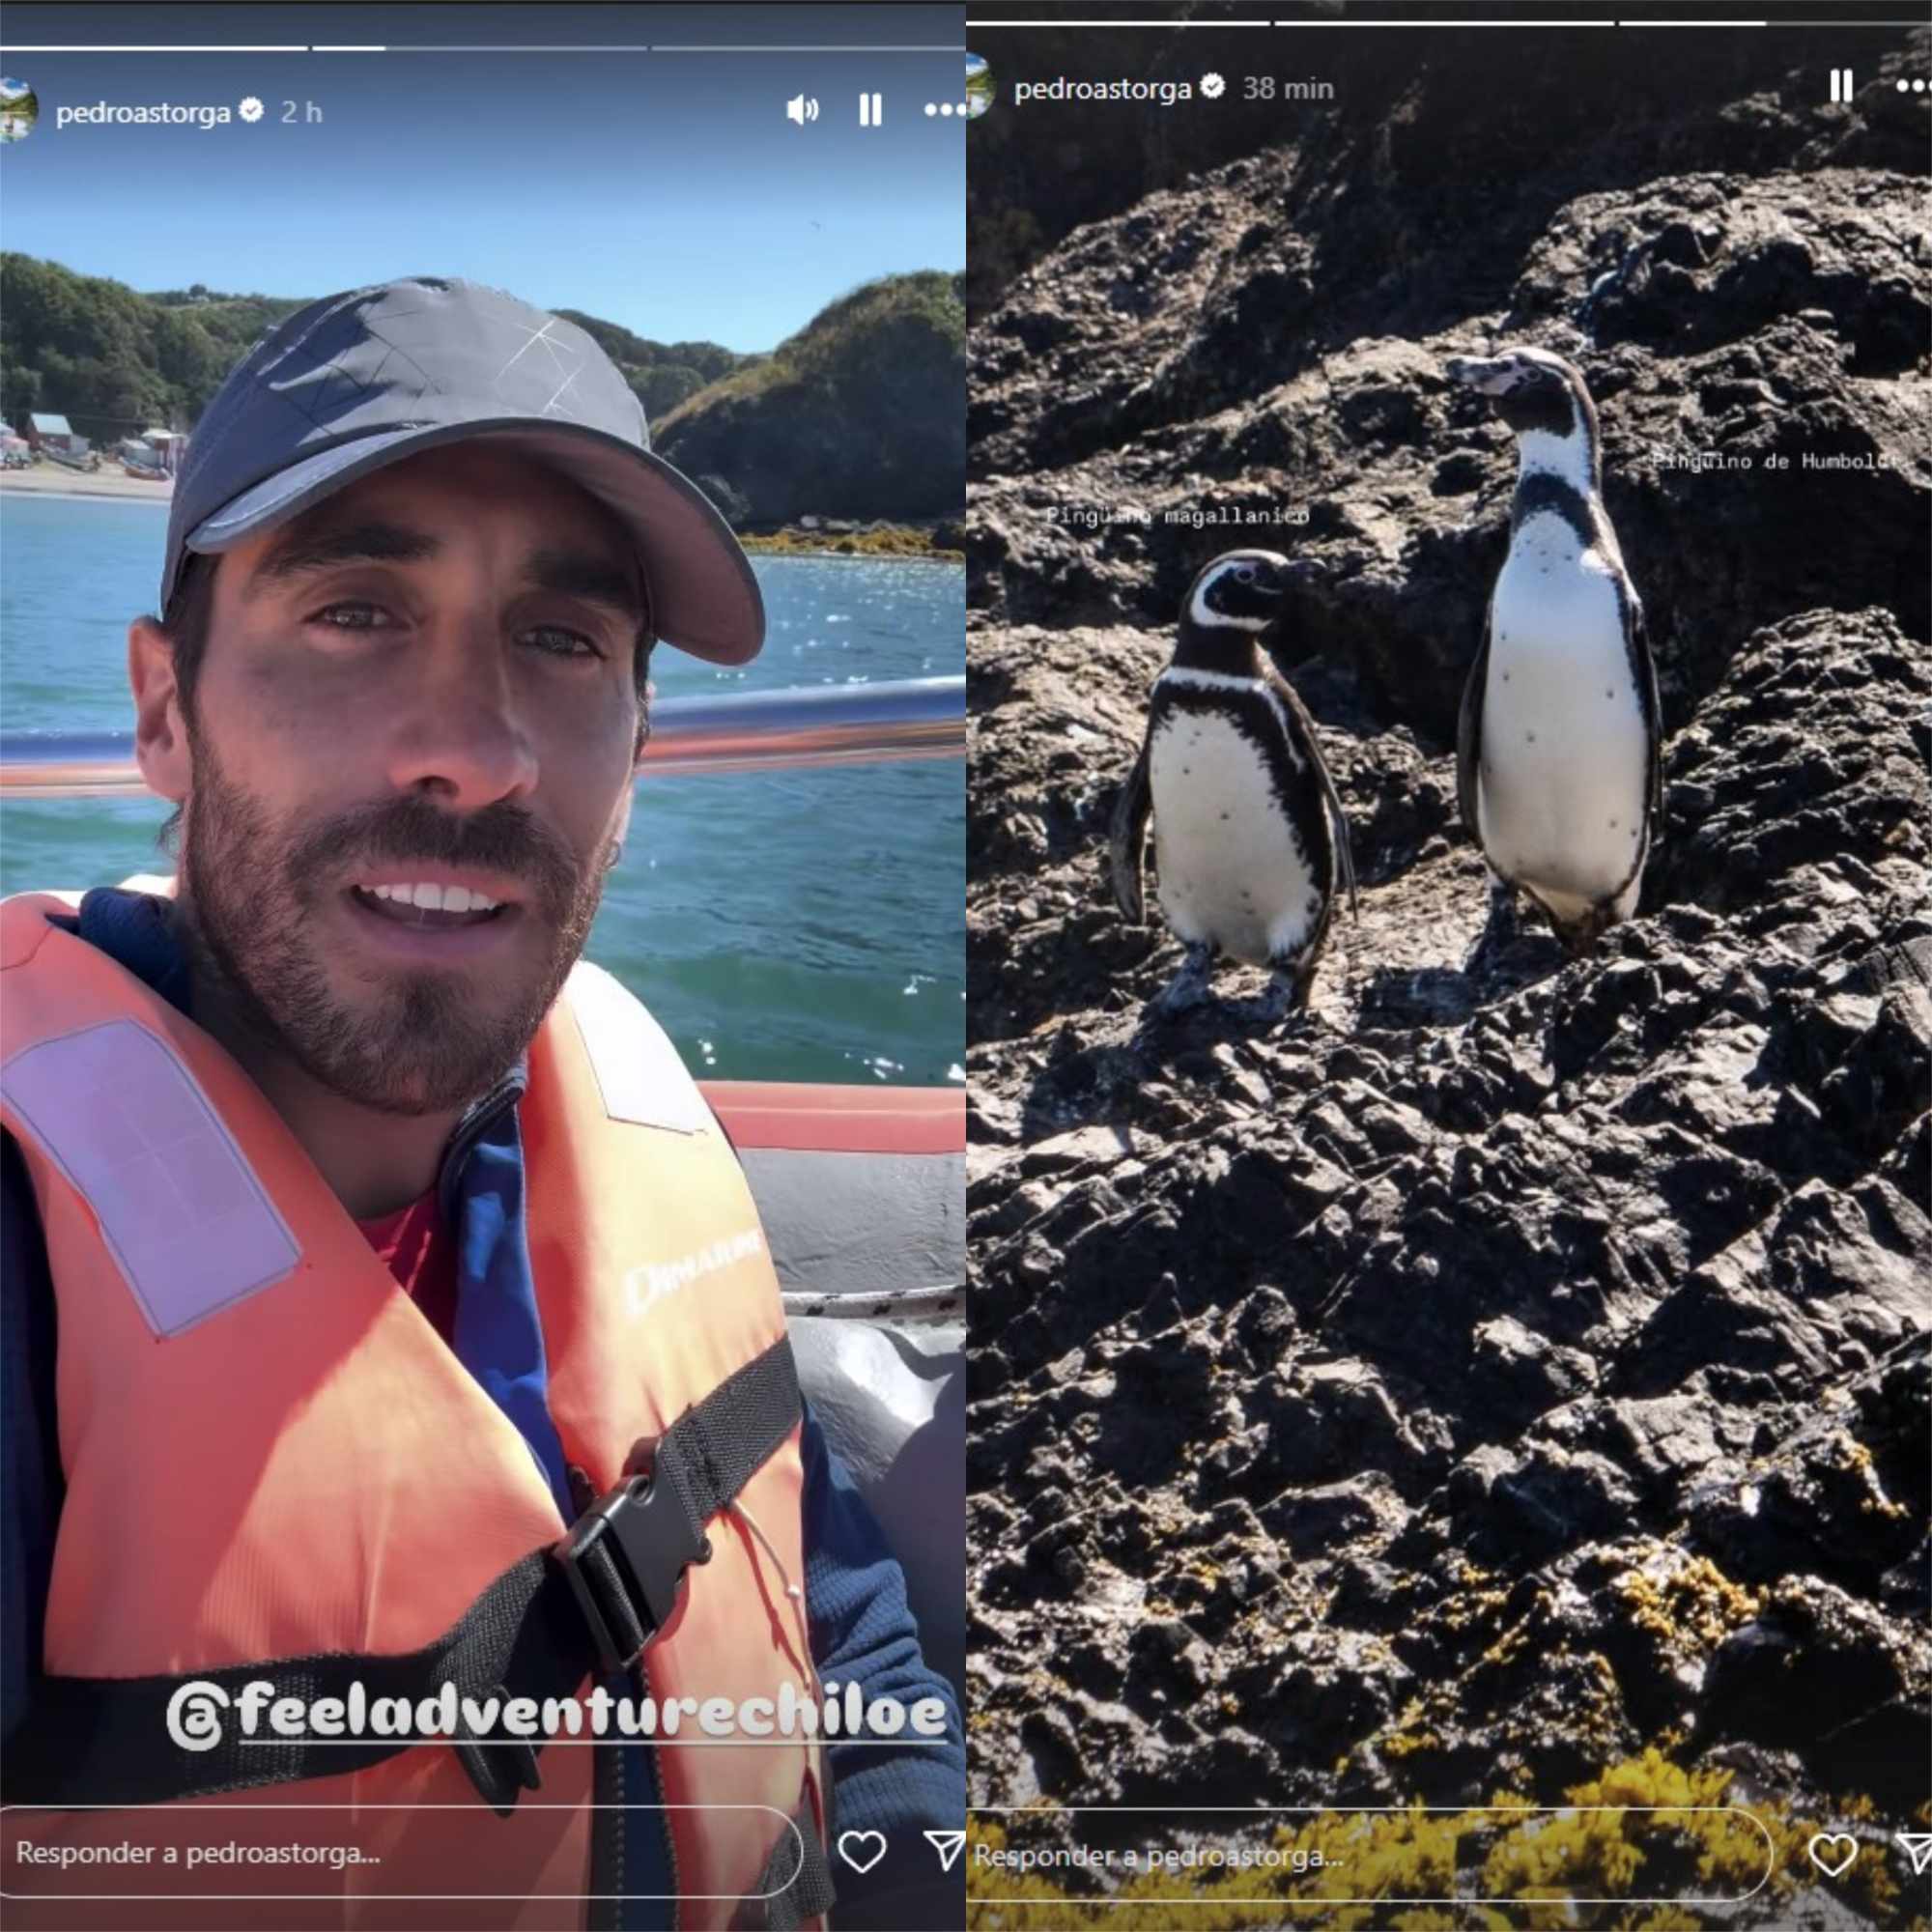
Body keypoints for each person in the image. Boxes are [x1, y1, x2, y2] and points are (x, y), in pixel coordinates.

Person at [0, 276, 963, 1931]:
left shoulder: (641, 1128)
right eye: (357, 612)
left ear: (641, 741)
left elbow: (848, 1627)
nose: (478, 751)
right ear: (165, 712)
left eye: (565, 640)